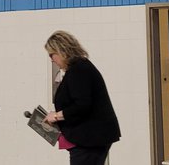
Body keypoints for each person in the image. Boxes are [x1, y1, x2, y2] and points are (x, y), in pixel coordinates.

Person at [43, 31, 121, 165]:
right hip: (90, 138)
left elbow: (82, 105)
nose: (51, 59)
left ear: (61, 51)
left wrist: (56, 116)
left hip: (90, 140)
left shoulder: (78, 70)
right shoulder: (80, 68)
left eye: (52, 54)